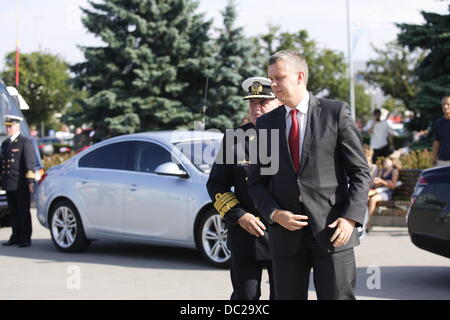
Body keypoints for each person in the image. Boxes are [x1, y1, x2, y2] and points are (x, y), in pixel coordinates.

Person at [247, 50, 370, 300]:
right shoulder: (267, 124)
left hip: (333, 232)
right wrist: (273, 213)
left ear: (300, 76)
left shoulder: (335, 113)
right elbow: (257, 182)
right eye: (272, 78)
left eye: (279, 77)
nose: (274, 84)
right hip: (285, 236)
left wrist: (350, 219)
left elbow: (359, 171)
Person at [206, 77, 281, 300]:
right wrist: (239, 216)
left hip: (283, 235)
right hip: (246, 235)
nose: (256, 108)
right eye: (252, 103)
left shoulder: (290, 136)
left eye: (263, 102)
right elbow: (216, 184)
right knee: (245, 298)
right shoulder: (235, 139)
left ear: (278, 103)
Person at [1, 115, 36, 247]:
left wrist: (30, 181)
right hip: (9, 183)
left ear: (18, 126)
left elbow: (30, 162)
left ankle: (25, 238)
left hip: (21, 183)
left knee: (23, 211)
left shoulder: (24, 141)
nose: (8, 128)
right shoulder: (5, 143)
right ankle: (15, 237)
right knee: (13, 212)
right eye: (7, 126)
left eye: (10, 126)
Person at [366, 157, 401, 232]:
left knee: (372, 200)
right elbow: (377, 183)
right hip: (378, 191)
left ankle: (369, 223)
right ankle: (363, 222)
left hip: (387, 192)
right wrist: (377, 183)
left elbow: (393, 186)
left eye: (387, 161)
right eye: (385, 161)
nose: (385, 162)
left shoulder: (394, 171)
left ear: (392, 162)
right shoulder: (382, 171)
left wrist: (382, 181)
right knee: (365, 198)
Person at [432, 96, 450, 167]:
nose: (445, 107)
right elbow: (436, 142)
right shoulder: (439, 122)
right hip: (442, 161)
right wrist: (434, 160)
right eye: (443, 104)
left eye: (448, 104)